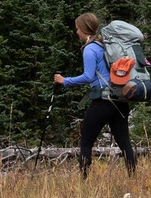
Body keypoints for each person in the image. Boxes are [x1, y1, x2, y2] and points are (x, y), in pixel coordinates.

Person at [54, 13, 136, 178]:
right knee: (124, 142)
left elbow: (88, 76)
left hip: (102, 101)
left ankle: (84, 179)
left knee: (86, 142)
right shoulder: (104, 45)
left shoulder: (90, 48)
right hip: (119, 99)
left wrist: (65, 81)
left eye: (77, 28)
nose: (76, 32)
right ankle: (133, 178)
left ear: (84, 30)